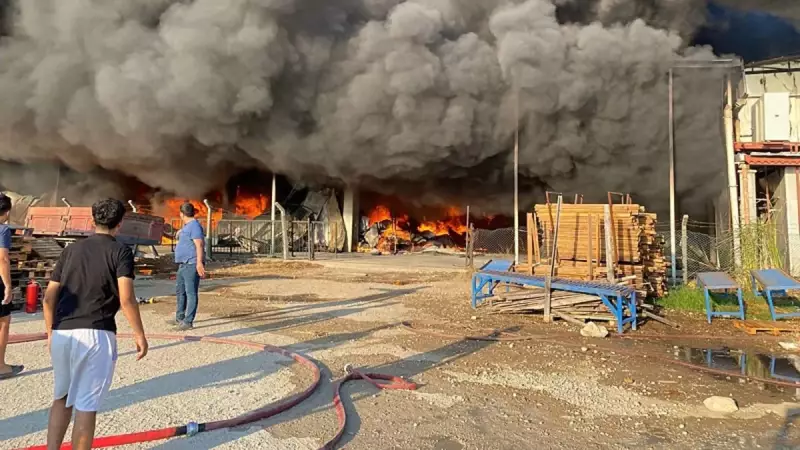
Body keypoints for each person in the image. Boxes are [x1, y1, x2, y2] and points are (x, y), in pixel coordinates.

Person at [43, 198, 148, 450]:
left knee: (62, 398)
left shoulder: (70, 250)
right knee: (86, 406)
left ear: (92, 220)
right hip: (96, 335)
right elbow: (126, 298)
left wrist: (50, 333)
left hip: (62, 333)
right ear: (120, 224)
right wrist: (139, 334)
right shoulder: (120, 252)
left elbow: (48, 297)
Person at [172, 202, 205, 330]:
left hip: (191, 264)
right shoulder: (189, 226)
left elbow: (199, 245)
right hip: (183, 264)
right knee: (181, 291)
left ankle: (188, 321)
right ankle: (179, 317)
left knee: (191, 293)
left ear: (181, 214)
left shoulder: (195, 226)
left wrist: (199, 263)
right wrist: (181, 231)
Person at [0, 193, 22, 380]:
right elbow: (3, 258)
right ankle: (0, 366)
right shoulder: (2, 230)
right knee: (3, 322)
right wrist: (8, 285)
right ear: (6, 212)